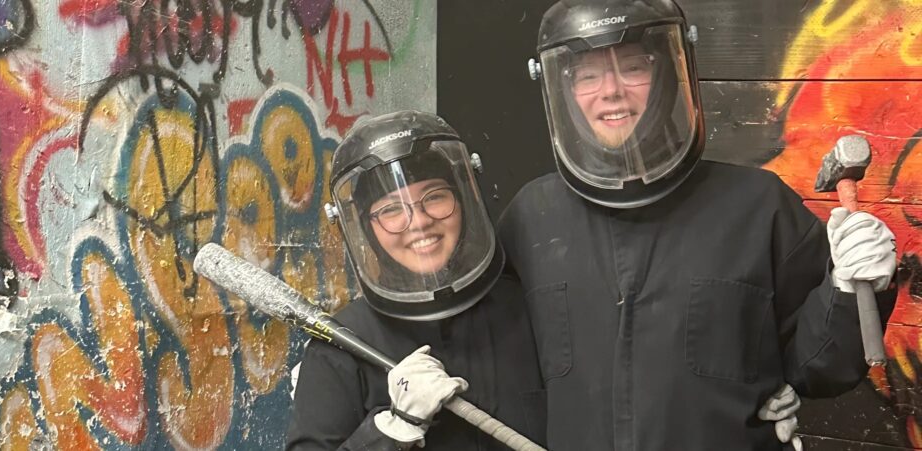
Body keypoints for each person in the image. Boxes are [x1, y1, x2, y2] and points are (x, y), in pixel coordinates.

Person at [499, 0, 899, 450]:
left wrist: (850, 290)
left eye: (633, 69)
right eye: (588, 75)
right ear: (564, 89)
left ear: (670, 74)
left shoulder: (758, 206)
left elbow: (820, 367)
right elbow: (496, 356)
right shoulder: (532, 217)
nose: (611, 91)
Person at [285, 111, 547, 450]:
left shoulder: (528, 309)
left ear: (464, 201)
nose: (419, 222)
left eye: (435, 196)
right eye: (392, 210)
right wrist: (392, 430)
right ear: (368, 228)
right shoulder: (340, 347)